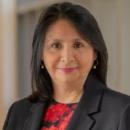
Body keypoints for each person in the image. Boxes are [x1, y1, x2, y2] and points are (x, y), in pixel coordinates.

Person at [3, 2, 130, 130]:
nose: (67, 57)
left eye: (78, 45)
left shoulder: (122, 111)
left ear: (95, 53)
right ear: (41, 54)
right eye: (56, 45)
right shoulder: (18, 112)